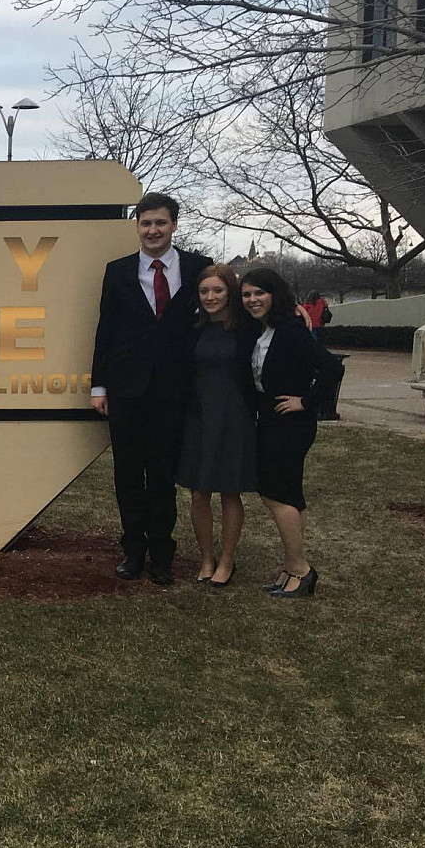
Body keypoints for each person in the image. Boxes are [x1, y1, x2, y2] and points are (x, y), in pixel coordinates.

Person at [90, 192, 211, 584]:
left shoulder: (198, 268)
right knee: (127, 474)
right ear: (137, 227)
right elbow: (105, 331)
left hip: (175, 389)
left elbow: (222, 314)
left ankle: (162, 554)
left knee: (162, 474)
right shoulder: (118, 271)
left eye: (160, 223)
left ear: (173, 225)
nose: (153, 230)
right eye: (146, 223)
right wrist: (99, 385)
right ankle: (132, 551)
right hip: (126, 389)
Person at [239, 268, 344, 599]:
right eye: (247, 294)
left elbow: (332, 367)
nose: (253, 300)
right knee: (287, 494)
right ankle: (291, 568)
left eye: (260, 293)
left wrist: (307, 401)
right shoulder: (263, 329)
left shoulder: (289, 329)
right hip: (270, 420)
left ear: (274, 294)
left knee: (276, 494)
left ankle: (301, 569)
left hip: (289, 424)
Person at [176, 264, 256, 587]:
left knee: (229, 492)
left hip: (234, 417)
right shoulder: (193, 328)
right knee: (198, 493)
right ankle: (206, 558)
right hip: (198, 417)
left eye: (218, 290)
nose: (211, 297)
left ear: (230, 293)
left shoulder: (248, 329)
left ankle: (227, 560)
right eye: (204, 291)